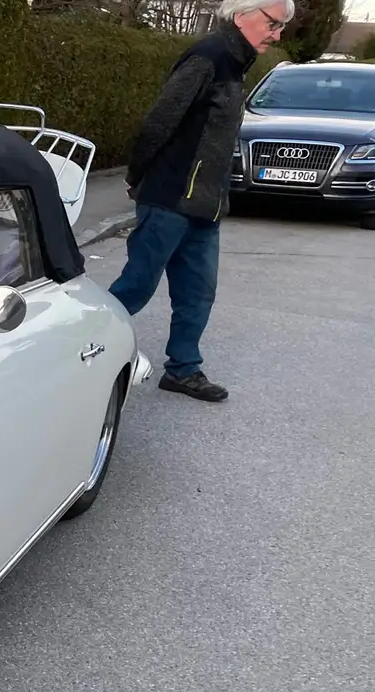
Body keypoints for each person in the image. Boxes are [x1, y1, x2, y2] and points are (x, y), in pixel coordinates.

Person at [108, 0, 292, 403]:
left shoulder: (236, 61)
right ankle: (81, 353)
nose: (277, 34)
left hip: (206, 207)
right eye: (273, 24)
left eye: (281, 27)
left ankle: (183, 370)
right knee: (136, 286)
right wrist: (136, 175)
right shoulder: (208, 56)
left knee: (197, 293)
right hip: (170, 199)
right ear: (243, 13)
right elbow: (160, 120)